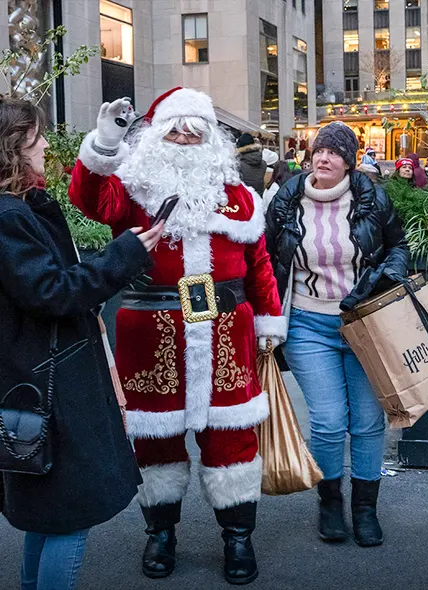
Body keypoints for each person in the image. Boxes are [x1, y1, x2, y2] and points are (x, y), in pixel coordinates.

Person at [69, 88, 286, 585]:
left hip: (227, 334)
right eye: (175, 126)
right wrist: (104, 144)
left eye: (195, 127)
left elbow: (260, 267)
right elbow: (88, 200)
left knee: (231, 440)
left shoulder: (238, 198)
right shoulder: (133, 187)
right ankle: (160, 533)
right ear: (156, 133)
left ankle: (237, 538)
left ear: (212, 137)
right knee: (156, 443)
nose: (185, 135)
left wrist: (271, 325)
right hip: (153, 335)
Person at [0, 97, 165, 590]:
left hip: (38, 379)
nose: (47, 145)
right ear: (13, 149)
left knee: (49, 514)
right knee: (69, 515)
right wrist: (126, 252)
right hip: (51, 386)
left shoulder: (19, 209)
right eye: (37, 139)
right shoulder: (8, 217)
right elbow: (54, 291)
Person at [264, 122, 409, 549]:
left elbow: (397, 246)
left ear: (348, 160)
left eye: (334, 152)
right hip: (309, 323)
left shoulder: (370, 197)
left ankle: (365, 509)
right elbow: (268, 259)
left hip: (364, 323)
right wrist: (266, 320)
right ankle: (330, 503)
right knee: (328, 420)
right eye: (318, 150)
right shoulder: (286, 200)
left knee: (366, 421)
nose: (323, 157)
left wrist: (393, 271)